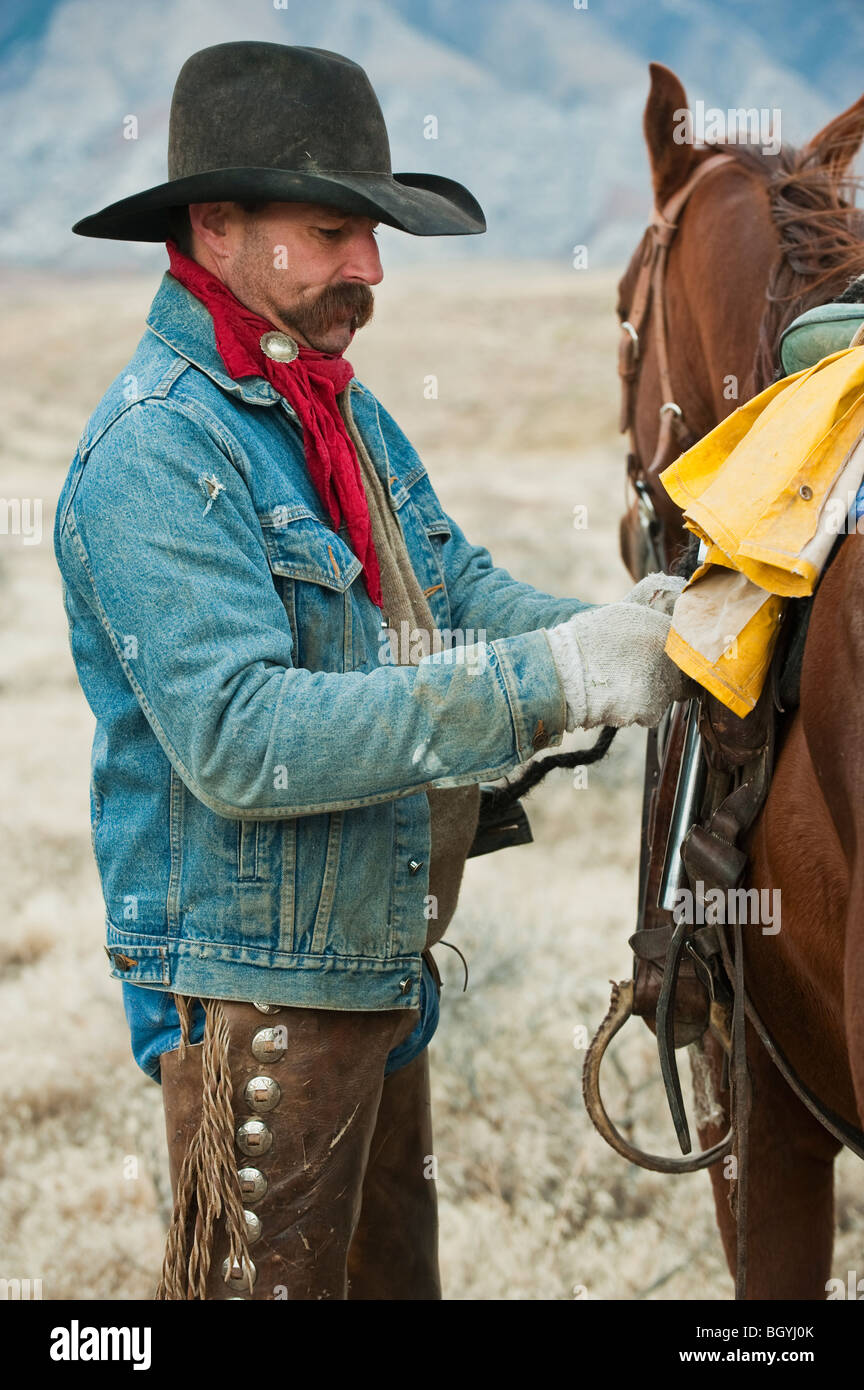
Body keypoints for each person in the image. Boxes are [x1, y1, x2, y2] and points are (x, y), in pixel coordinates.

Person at [54, 40, 691, 1300]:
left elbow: (458, 594)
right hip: (256, 1018)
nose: (373, 267)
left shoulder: (339, 411)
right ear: (216, 224)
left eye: (374, 233)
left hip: (369, 980)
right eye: (336, 229)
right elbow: (242, 736)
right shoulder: (152, 455)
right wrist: (555, 680)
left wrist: (643, 634)